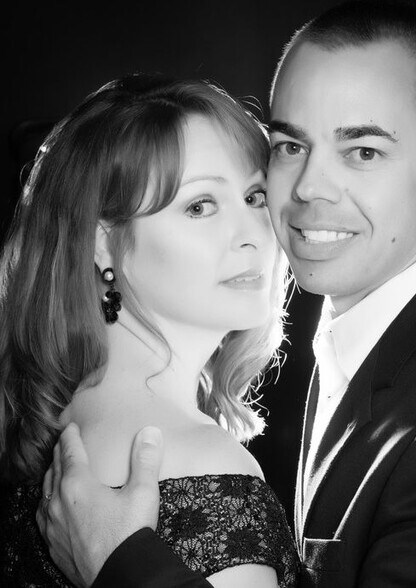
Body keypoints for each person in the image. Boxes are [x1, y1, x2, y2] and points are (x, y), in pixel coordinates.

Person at [36, 0, 416, 586]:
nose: (309, 188)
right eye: (290, 146)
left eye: (363, 152)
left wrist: (119, 562)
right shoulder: (360, 330)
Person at [0, 73, 300, 587]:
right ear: (102, 243)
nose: (253, 234)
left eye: (254, 196)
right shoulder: (204, 463)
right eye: (200, 206)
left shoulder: (52, 429)